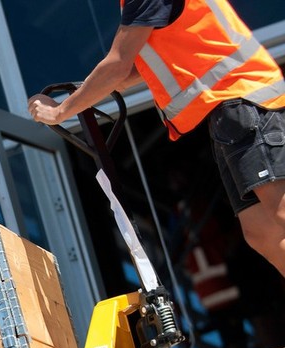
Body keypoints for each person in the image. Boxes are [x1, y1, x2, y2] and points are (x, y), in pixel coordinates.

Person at [27, 0, 285, 279]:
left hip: (244, 101)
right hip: (230, 109)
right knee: (260, 232)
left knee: (280, 212)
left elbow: (117, 66)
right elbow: (128, 72)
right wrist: (83, 93)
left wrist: (60, 111)